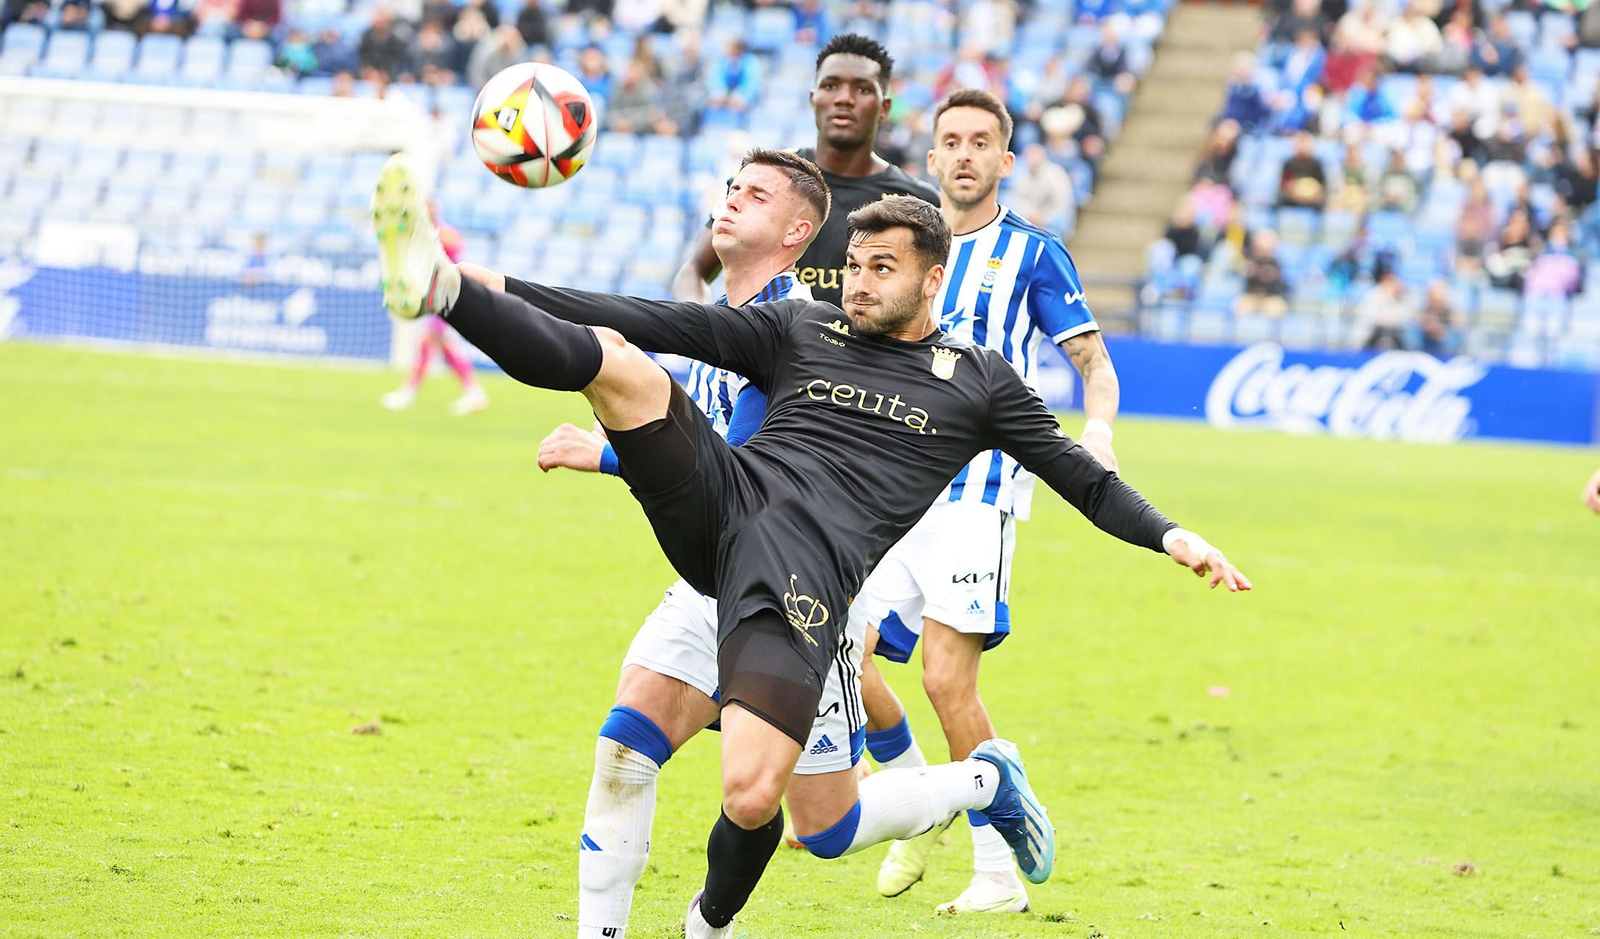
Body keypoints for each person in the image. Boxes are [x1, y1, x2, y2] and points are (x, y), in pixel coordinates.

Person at [370, 149, 1250, 939]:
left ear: (932, 278)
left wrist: (1173, 534)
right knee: (618, 361)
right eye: (855, 265)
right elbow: (646, 317)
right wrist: (477, 289)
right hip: (724, 503)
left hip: (805, 582)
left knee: (773, 805)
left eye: (882, 269)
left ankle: (977, 784)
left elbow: (1082, 478)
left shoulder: (978, 383)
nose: (859, 283)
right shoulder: (801, 327)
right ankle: (437, 294)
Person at [534, 152, 975, 939]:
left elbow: (741, 473)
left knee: (817, 823)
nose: (731, 202)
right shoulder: (720, 310)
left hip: (802, 597)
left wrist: (607, 451)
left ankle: (978, 779)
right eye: (731, 189)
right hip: (712, 584)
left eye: (755, 194)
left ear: (798, 232)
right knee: (625, 747)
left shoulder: (803, 329)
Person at [855, 90, 1123, 915]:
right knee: (837, 658)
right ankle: (918, 801)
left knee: (944, 681)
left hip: (978, 492)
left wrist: (1101, 430)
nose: (965, 154)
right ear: (930, 158)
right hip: (889, 488)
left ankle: (998, 876)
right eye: (950, 141)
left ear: (1006, 162)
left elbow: (1092, 363)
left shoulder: (1034, 254)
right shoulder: (897, 245)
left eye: (982, 142)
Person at [673, 34, 941, 307]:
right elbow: (694, 272)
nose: (844, 99)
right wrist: (706, 329)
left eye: (862, 89)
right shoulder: (760, 179)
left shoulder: (917, 201)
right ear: (813, 99)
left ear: (884, 107)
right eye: (831, 85)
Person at [381, 211, 488, 415]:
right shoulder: (434, 234)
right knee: (440, 345)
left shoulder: (441, 235)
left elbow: (454, 264)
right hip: (438, 295)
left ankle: (410, 391)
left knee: (430, 342)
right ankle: (473, 392)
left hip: (445, 295)